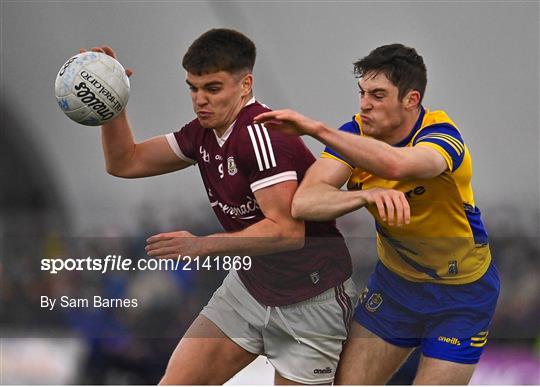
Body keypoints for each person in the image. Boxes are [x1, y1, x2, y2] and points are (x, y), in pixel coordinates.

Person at [80, 29, 405, 385]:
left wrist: (202, 245)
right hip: (248, 290)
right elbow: (124, 162)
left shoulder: (261, 135)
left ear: (245, 84)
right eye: (193, 88)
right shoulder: (201, 132)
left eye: (213, 88)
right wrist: (111, 105)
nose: (200, 100)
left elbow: (287, 232)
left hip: (310, 303)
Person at [254, 43, 500, 384]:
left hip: (462, 297)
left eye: (378, 95)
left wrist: (316, 129)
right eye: (362, 92)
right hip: (395, 289)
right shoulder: (354, 135)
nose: (365, 103)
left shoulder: (441, 136)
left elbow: (397, 164)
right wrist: (365, 196)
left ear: (411, 100)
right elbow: (305, 202)